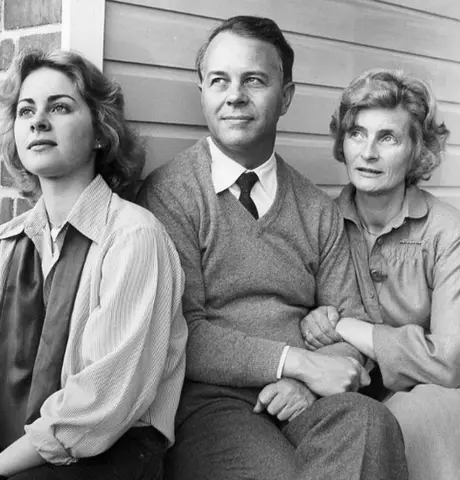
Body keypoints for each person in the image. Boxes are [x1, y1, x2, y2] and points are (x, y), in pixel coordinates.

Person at [139, 16, 408, 480]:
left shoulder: (317, 209)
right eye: (219, 80)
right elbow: (180, 332)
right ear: (202, 89)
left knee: (369, 422)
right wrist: (297, 363)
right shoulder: (171, 193)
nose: (235, 95)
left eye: (254, 80)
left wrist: (316, 379)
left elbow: (352, 321)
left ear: (284, 97)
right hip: (212, 403)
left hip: (306, 398)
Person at [0, 49, 187, 480]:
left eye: (59, 107)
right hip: (6, 440)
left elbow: (101, 403)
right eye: (26, 111)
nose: (38, 121)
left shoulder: (134, 237)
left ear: (99, 131)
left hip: (107, 451)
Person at [300, 69, 460, 480]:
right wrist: (311, 319)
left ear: (416, 152)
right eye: (356, 133)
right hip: (342, 398)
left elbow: (448, 362)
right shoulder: (320, 222)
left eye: (387, 138)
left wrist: (350, 327)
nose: (367, 152)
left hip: (434, 403)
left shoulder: (447, 233)